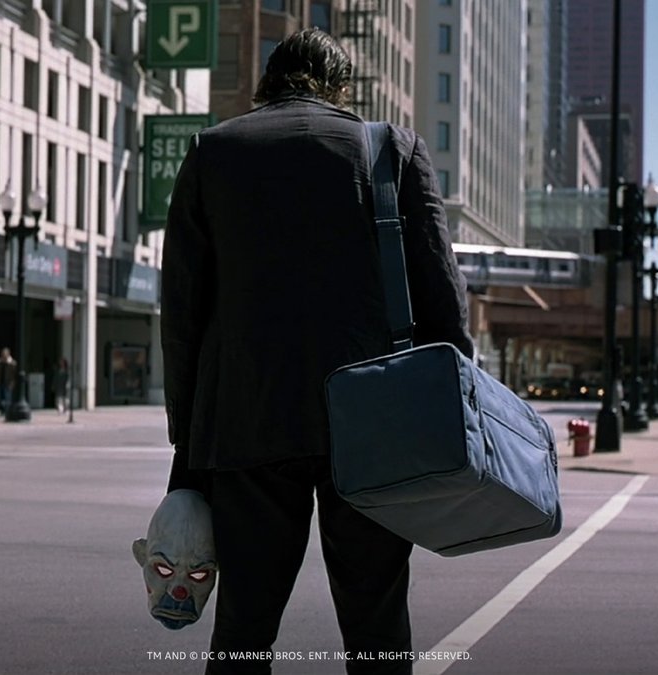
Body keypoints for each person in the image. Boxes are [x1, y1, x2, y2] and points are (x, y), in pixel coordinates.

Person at [161, 29, 473, 675]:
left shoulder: (212, 151)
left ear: (267, 82)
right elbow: (443, 295)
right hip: (374, 420)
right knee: (376, 622)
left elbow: (184, 313)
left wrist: (186, 452)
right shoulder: (391, 149)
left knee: (244, 626)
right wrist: (458, 417)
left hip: (246, 418)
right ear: (341, 88)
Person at [0, 348, 16, 415]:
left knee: (8, 398)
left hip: (8, 383)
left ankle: (6, 411)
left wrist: (13, 382)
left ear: (8, 354)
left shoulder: (12, 363)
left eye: (4, 354)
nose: (3, 355)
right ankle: (3, 408)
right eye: (2, 354)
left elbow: (15, 374)